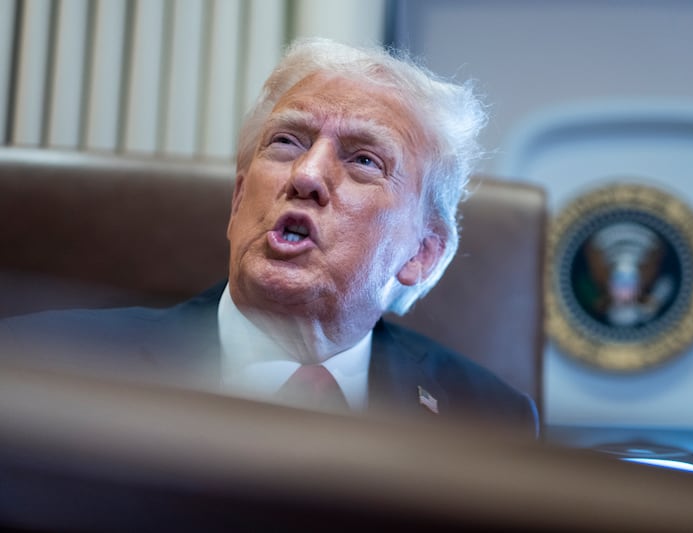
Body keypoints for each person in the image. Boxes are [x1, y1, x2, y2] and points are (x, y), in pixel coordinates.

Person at [0, 38, 538, 434]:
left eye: (364, 159)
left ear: (420, 254)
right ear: (238, 203)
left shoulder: (490, 420)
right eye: (286, 141)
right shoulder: (40, 364)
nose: (305, 176)